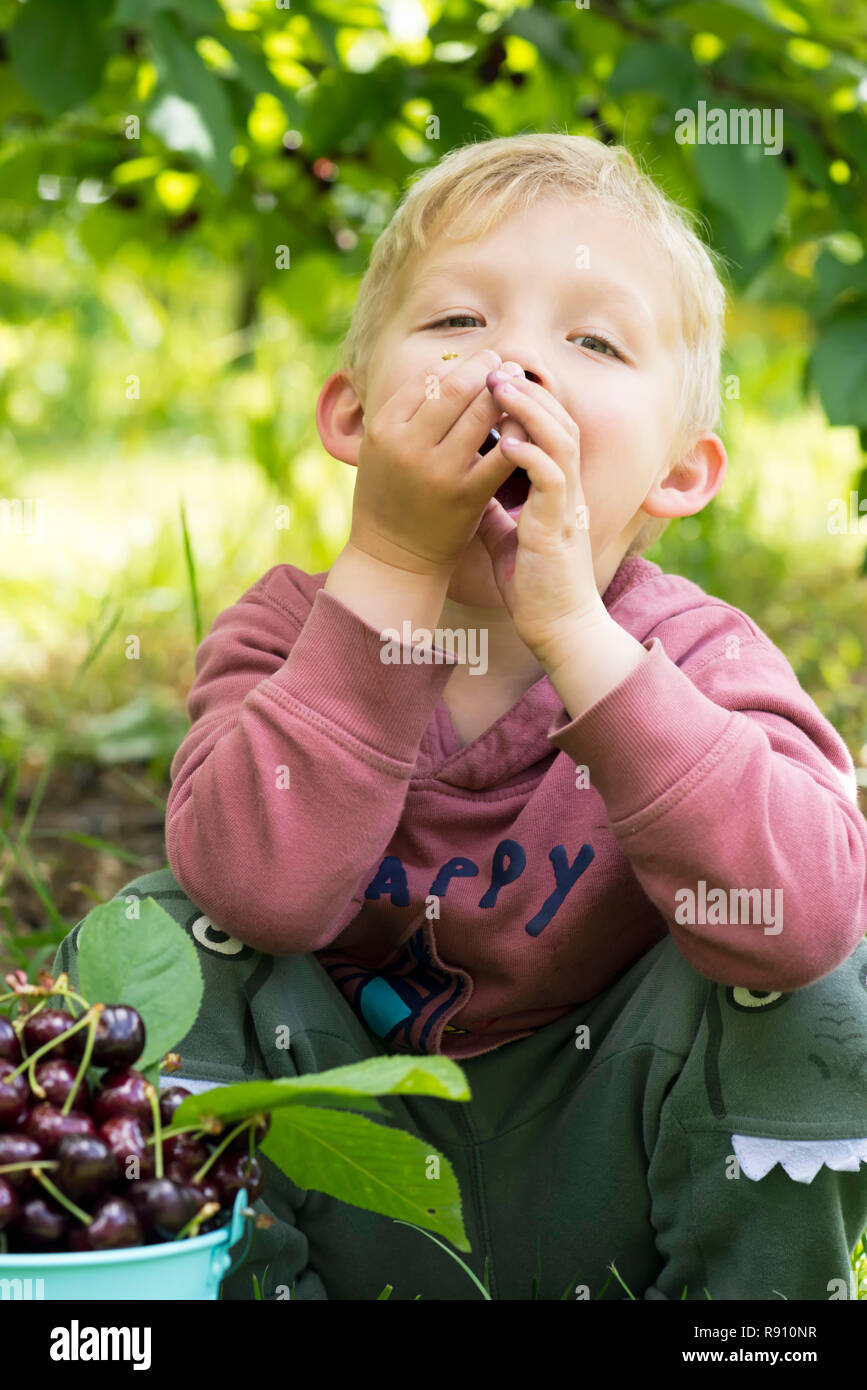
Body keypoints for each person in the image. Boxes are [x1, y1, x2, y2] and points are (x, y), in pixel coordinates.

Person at [75, 134, 867, 1298]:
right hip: (345, 1159)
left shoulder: (700, 657)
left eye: (592, 341)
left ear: (680, 475)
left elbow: (808, 923)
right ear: (351, 417)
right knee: (167, 936)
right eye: (456, 323)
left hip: (615, 1162)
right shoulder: (283, 639)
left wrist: (582, 639)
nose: (513, 365)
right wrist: (392, 562)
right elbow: (258, 889)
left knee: (807, 974)